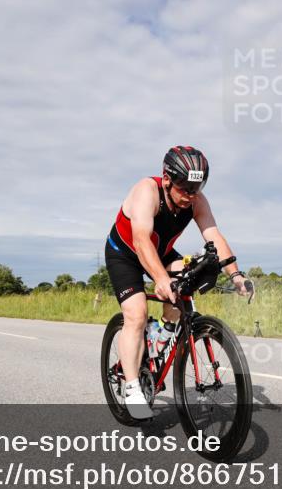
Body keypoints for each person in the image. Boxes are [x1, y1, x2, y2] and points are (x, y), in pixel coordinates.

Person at [105, 146, 250, 419]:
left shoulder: (196, 200)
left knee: (188, 279)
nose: (190, 195)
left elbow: (214, 237)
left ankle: (162, 333)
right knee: (136, 315)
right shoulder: (147, 191)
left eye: (197, 188)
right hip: (125, 253)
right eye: (185, 188)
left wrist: (236, 275)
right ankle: (133, 387)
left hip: (160, 252)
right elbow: (140, 241)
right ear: (167, 178)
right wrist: (160, 278)